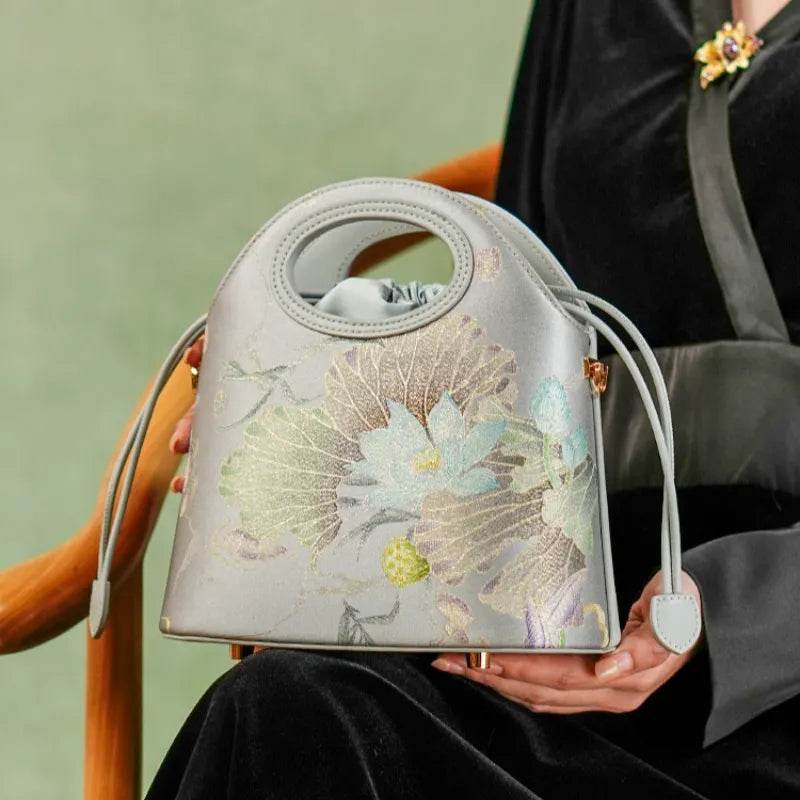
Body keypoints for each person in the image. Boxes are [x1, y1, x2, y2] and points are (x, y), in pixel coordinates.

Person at [147, 1, 800, 797]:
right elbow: (514, 311)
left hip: (770, 678)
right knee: (286, 707)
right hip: (535, 610)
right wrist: (308, 402)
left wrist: (731, 614)